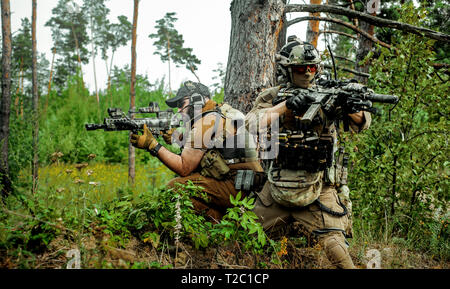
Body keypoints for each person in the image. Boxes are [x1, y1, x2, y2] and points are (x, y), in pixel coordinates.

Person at [245, 37, 372, 269]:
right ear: (288, 70)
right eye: (300, 69)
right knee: (244, 239)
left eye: (311, 68)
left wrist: (345, 105)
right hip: (277, 185)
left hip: (319, 186)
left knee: (336, 248)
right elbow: (251, 123)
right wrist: (287, 105)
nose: (307, 73)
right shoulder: (272, 96)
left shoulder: (330, 93)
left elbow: (362, 123)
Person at [131, 81, 264, 223]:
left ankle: (218, 222)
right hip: (247, 183)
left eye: (181, 104)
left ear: (197, 99)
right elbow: (211, 147)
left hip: (235, 186)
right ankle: (224, 220)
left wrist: (153, 145)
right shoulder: (221, 112)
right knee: (191, 181)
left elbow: (184, 167)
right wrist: (177, 138)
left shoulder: (207, 120)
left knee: (175, 187)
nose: (179, 110)